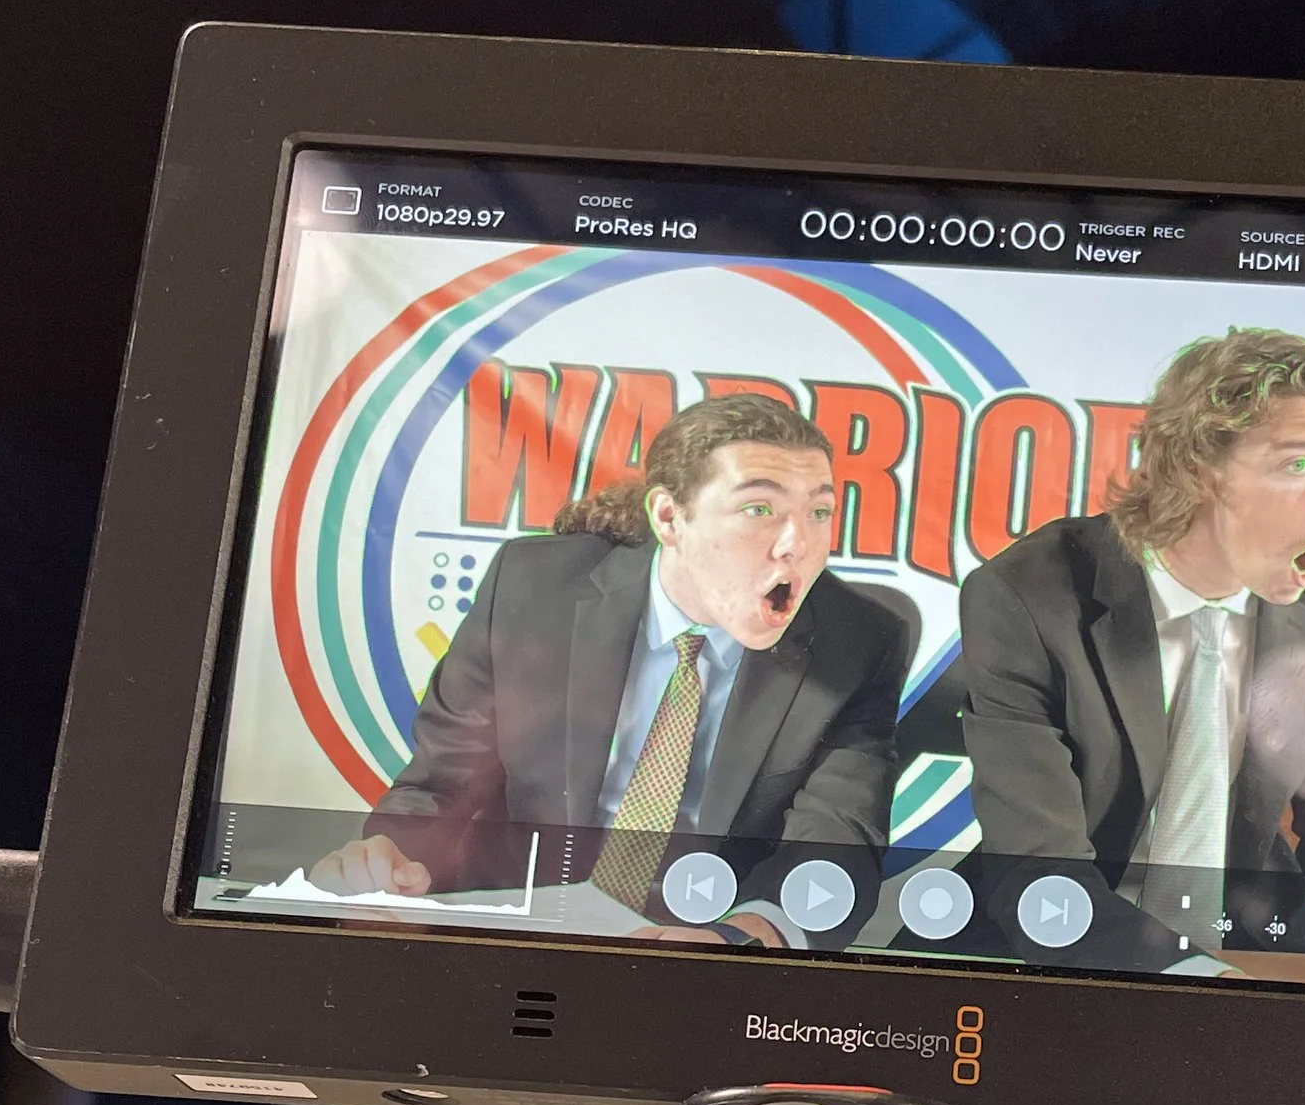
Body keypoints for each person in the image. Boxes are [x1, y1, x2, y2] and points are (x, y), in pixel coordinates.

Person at [959, 324, 1305, 988]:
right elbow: (1039, 865)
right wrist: (1207, 989)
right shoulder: (1027, 595)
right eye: (1299, 464)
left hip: (1256, 942)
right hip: (1061, 956)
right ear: (1198, 469)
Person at [310, 391, 914, 945]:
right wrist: (388, 858)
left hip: (700, 950)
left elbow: (835, 844)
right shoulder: (531, 590)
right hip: (511, 930)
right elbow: (441, 782)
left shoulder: (858, 642)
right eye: (759, 508)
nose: (797, 545)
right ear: (670, 518)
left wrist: (744, 936)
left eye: (819, 513)